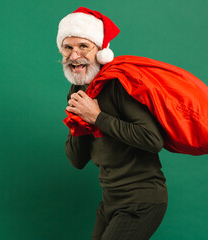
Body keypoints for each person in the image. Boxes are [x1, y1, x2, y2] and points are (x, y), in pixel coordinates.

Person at [57, 7, 168, 240]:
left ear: (100, 51)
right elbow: (77, 161)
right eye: (68, 47)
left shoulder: (118, 84)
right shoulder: (77, 91)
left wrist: (97, 117)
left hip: (141, 201)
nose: (75, 55)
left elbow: (153, 140)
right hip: (109, 201)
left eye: (83, 46)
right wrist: (78, 123)